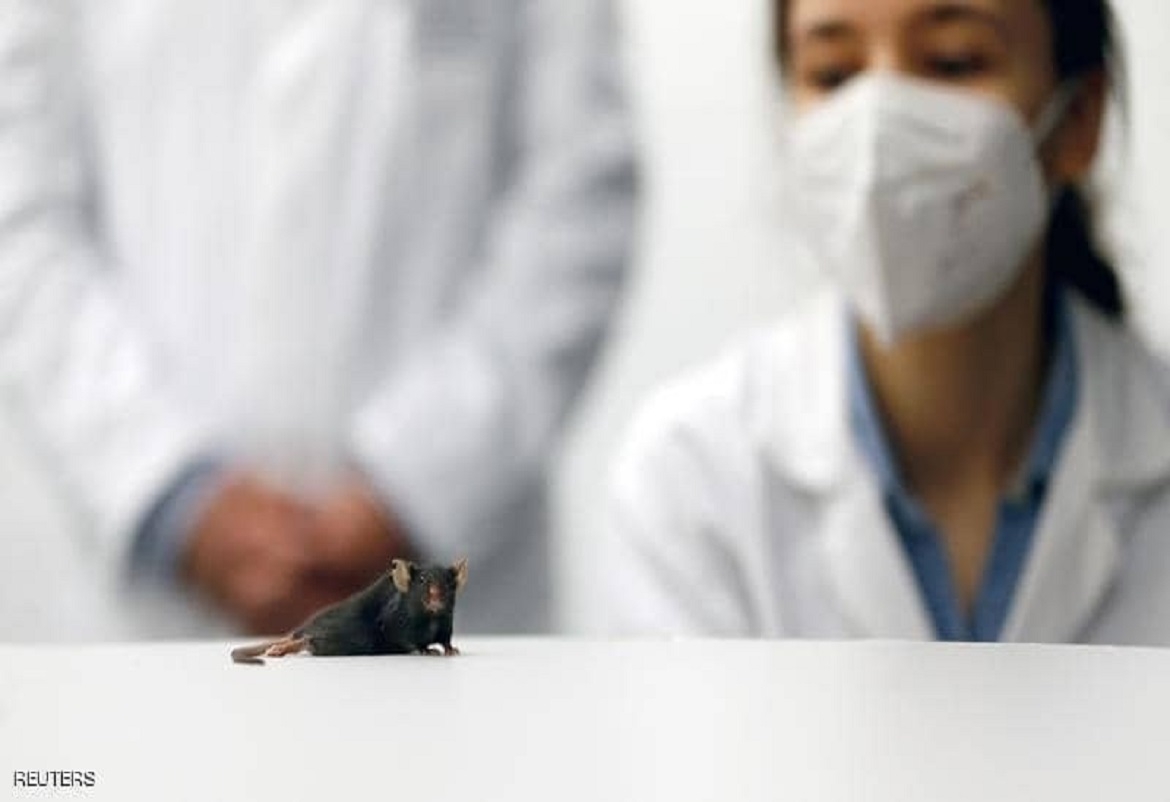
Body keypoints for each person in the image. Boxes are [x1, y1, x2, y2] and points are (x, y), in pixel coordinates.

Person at [0, 0, 636, 640]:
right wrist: (175, 494)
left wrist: (412, 487)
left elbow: (579, 188)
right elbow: (21, 211)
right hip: (157, 597)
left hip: (449, 578)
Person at [602, 0, 1170, 645]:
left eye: (953, 62)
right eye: (833, 74)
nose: (877, 131)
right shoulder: (692, 479)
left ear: (1079, 117)